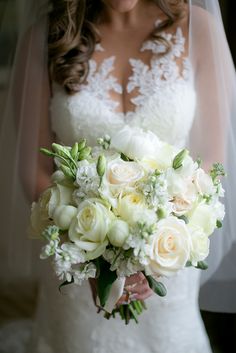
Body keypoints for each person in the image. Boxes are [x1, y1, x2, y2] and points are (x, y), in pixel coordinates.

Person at [0, 0, 236, 353]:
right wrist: (92, 259)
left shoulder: (197, 28)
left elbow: (212, 159)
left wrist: (150, 253)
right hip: (77, 259)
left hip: (167, 253)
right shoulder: (48, 37)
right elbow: (33, 168)